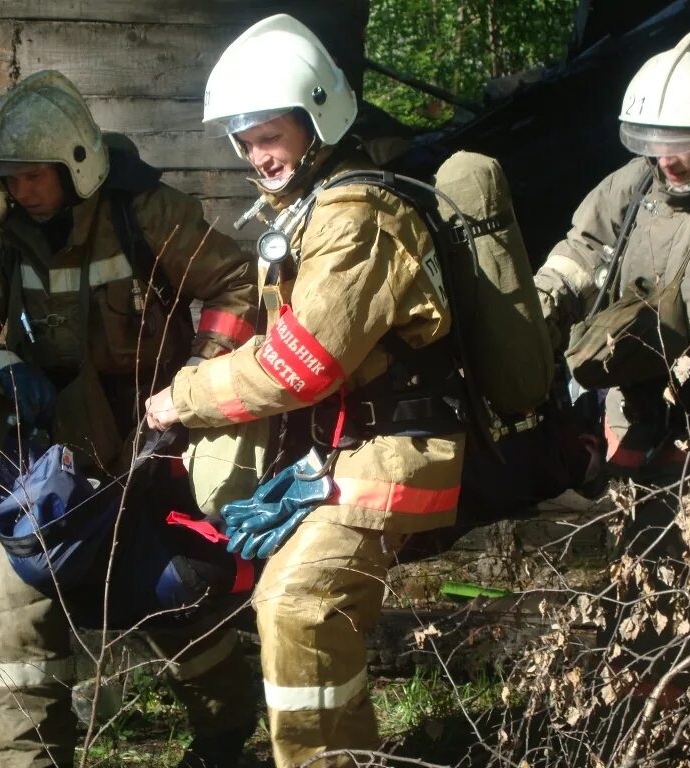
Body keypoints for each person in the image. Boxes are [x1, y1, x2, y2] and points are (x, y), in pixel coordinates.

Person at [146, 15, 465, 767]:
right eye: (247, 139)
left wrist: (185, 395)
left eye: (273, 134)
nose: (259, 154)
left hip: (396, 453)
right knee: (288, 607)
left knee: (297, 604)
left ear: (319, 117)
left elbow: (301, 365)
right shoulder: (315, 211)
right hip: (348, 451)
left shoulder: (358, 218)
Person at [0, 70, 260, 768]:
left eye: (31, 177)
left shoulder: (146, 212)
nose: (18, 192)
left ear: (76, 164)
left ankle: (225, 744)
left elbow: (234, 283)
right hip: (42, 460)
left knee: (177, 602)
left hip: (149, 449)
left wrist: (199, 374)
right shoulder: (1, 230)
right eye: (8, 179)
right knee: (19, 626)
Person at [534, 28, 690, 700]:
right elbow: (582, 251)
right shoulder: (633, 187)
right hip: (634, 420)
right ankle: (651, 703)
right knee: (639, 572)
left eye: (684, 144)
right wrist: (547, 296)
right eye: (653, 144)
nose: (666, 161)